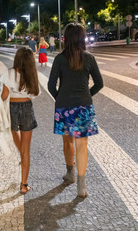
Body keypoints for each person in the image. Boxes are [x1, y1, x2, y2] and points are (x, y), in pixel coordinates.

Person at [47, 23, 103, 198]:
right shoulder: (89, 58)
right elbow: (99, 83)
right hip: (83, 107)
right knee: (82, 146)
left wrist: (61, 98)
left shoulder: (59, 58)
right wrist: (87, 95)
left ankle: (70, 173)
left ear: (66, 38)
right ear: (82, 38)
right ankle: (81, 185)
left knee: (67, 142)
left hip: (64, 107)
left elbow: (50, 85)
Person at [0, 47, 40, 195]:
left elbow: (4, 95)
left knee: (13, 131)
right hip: (27, 107)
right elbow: (35, 93)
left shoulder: (8, 73)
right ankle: (24, 185)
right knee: (27, 149)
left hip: (12, 107)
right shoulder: (31, 75)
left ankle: (21, 154)